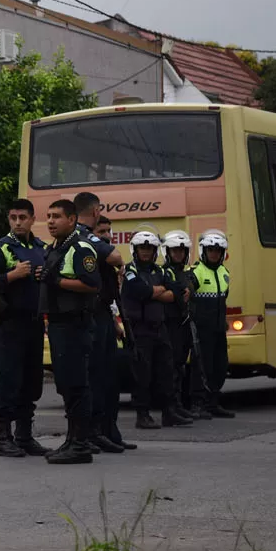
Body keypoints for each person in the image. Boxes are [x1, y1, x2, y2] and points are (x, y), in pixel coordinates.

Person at [0, 199, 50, 459]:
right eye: (13, 217)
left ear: (32, 219)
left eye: (22, 217)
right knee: (8, 381)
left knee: (31, 382)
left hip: (34, 323)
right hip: (10, 324)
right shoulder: (1, 248)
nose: (18, 222)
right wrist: (13, 275)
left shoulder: (41, 248)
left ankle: (24, 436)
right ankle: (4, 439)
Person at [38, 199, 101, 465]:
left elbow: (92, 284)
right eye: (49, 216)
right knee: (66, 385)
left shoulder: (80, 247)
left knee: (76, 385)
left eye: (57, 216)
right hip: (58, 324)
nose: (51, 221)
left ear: (72, 220)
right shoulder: (56, 248)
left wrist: (58, 281)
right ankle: (72, 440)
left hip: (74, 324)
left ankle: (81, 445)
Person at [72, 194, 133, 455]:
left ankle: (109, 430)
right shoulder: (84, 239)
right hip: (89, 316)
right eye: (102, 231)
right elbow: (115, 258)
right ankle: (92, 432)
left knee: (109, 378)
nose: (106, 236)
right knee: (95, 378)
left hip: (104, 316)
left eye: (109, 231)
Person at [121, 231, 190, 430]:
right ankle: (142, 415)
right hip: (139, 330)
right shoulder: (129, 270)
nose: (146, 252)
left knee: (167, 372)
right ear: (135, 250)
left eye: (149, 248)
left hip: (160, 329)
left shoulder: (160, 272)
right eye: (142, 248)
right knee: (142, 375)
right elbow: (139, 291)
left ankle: (170, 413)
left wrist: (153, 293)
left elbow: (177, 292)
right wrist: (157, 291)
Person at [161, 231, 209, 420]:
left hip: (183, 325)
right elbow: (176, 294)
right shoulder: (166, 271)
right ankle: (170, 409)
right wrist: (183, 292)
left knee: (180, 367)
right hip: (171, 325)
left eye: (182, 250)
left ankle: (178, 405)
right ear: (168, 252)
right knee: (171, 368)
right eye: (175, 251)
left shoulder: (183, 272)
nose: (179, 254)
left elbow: (188, 292)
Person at [191, 230, 235, 418]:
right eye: (211, 250)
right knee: (201, 368)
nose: (214, 253)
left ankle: (213, 403)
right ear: (204, 251)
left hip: (218, 330)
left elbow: (223, 299)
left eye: (218, 250)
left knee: (220, 366)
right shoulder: (196, 272)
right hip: (202, 330)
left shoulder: (224, 273)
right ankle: (197, 404)